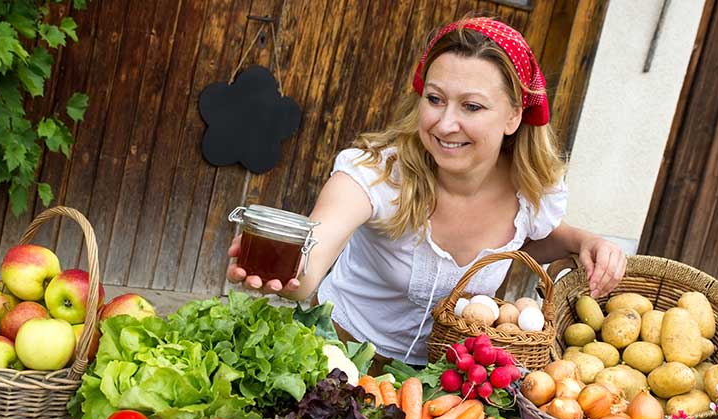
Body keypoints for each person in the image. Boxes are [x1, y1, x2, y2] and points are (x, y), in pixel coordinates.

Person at [227, 16, 627, 368]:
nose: (445, 123)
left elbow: (533, 235)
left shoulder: (532, 190)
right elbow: (318, 242)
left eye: (471, 107)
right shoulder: (376, 172)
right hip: (336, 357)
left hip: (446, 380)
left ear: (514, 116)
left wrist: (584, 240)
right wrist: (293, 273)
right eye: (435, 100)